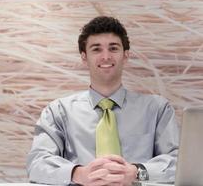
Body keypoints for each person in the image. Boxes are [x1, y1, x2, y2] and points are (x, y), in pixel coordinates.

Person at [26, 16, 179, 186]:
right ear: (84, 57)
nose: (106, 56)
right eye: (96, 49)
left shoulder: (157, 109)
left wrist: (137, 172)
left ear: (125, 55)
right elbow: (37, 163)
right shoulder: (58, 111)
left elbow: (180, 161)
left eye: (113, 48)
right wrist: (79, 173)